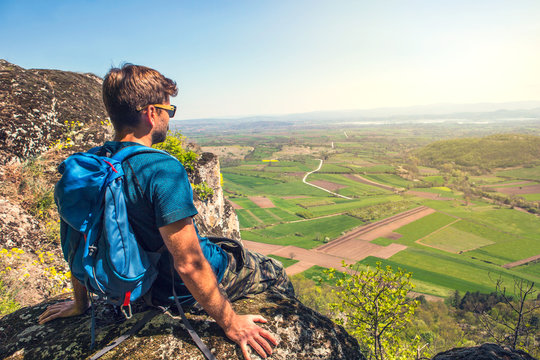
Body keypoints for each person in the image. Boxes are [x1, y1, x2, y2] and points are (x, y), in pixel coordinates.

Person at [38, 64, 295, 360]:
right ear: (150, 113)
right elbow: (189, 264)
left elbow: (76, 239)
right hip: (174, 291)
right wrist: (233, 323)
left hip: (135, 286)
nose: (169, 119)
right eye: (168, 112)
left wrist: (79, 304)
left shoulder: (86, 166)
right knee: (275, 273)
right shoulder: (161, 169)